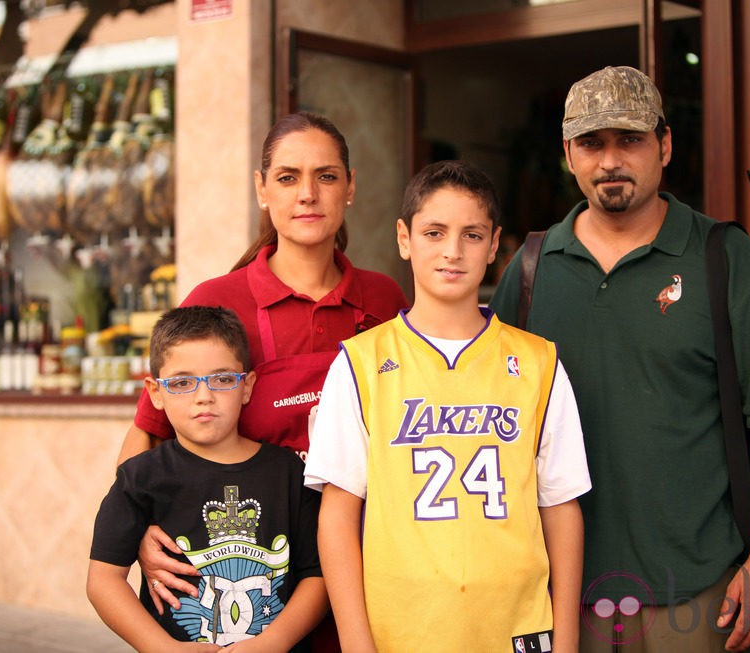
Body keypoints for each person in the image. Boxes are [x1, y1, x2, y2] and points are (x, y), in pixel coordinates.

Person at [489, 66, 750, 653]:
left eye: (629, 140)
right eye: (592, 143)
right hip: (562, 592)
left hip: (697, 591)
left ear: (664, 145)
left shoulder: (727, 260)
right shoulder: (531, 272)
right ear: (568, 153)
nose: (610, 160)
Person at [116, 112, 408, 644]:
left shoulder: (385, 299)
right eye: (288, 177)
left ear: (350, 187)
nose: (307, 195)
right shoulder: (216, 300)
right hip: (249, 582)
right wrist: (140, 536)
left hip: (370, 569)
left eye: (326, 176)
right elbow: (146, 432)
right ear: (262, 189)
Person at [305, 160, 592, 653]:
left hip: (517, 629)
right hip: (403, 633)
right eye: (434, 232)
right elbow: (337, 515)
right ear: (404, 238)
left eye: (472, 235)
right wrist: (356, 642)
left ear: (496, 245)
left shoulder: (538, 362)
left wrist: (565, 641)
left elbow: (561, 508)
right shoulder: (361, 363)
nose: (452, 252)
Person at [87, 306, 327, 652]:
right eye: (182, 382)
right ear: (155, 392)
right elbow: (103, 580)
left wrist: (273, 643)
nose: (204, 396)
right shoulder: (139, 478)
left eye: (223, 379)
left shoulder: (289, 473)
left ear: (247, 386)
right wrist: (163, 648)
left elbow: (316, 575)